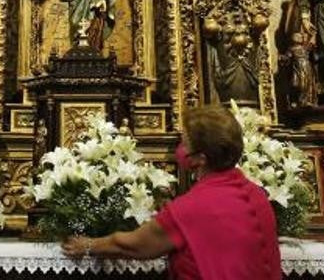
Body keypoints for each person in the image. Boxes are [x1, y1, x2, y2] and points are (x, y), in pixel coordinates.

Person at [61, 106, 281, 280]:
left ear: (200, 158)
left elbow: (134, 244)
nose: (180, 149)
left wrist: (88, 245)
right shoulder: (257, 194)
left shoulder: (191, 207)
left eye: (184, 143)